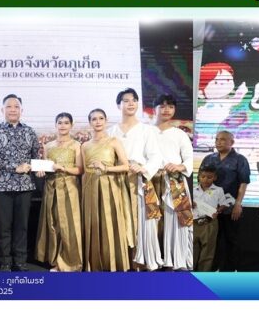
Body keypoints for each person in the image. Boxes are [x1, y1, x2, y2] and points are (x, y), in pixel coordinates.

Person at [108, 88, 164, 271]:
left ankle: (140, 260)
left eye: (134, 100)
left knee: (141, 220)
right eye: (126, 100)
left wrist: (143, 168)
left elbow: (156, 156)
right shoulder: (111, 131)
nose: (130, 103)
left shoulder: (147, 130)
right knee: (119, 219)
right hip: (116, 180)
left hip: (139, 179)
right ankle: (122, 261)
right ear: (119, 105)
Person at [0, 94, 40, 272]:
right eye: (9, 106)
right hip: (2, 186)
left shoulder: (29, 131)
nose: (13, 110)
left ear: (21, 110)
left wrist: (37, 168)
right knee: (4, 226)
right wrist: (15, 168)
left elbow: (36, 156)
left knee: (22, 226)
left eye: (16, 107)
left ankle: (21, 261)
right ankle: (5, 262)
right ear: (2, 110)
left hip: (25, 186)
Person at [81, 108, 131, 272]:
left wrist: (106, 168)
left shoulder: (114, 141)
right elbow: (83, 170)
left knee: (110, 223)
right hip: (90, 187)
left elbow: (126, 166)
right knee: (94, 223)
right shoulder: (85, 145)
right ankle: (94, 264)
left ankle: (113, 264)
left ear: (106, 120)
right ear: (90, 122)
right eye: (94, 119)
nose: (98, 122)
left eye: (101, 118)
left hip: (110, 186)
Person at [36, 112, 83, 272]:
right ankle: (55, 259)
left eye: (66, 122)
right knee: (52, 223)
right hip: (51, 187)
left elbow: (80, 169)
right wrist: (41, 171)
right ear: (55, 125)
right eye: (60, 122)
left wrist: (63, 168)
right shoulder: (48, 146)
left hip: (70, 187)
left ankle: (70, 261)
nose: (63, 125)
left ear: (71, 125)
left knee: (69, 224)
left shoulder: (76, 145)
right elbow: (44, 167)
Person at [153, 94, 193, 271]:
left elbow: (189, 158)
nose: (166, 110)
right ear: (155, 109)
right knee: (151, 221)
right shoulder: (146, 132)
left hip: (175, 181)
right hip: (150, 181)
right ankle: (153, 258)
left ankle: (176, 258)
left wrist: (179, 166)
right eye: (162, 106)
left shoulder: (180, 134)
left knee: (178, 221)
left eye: (170, 106)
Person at [199, 130, 250, 271]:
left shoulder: (240, 159)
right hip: (209, 207)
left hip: (230, 206)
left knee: (231, 239)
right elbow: (201, 181)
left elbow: (243, 183)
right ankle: (210, 268)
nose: (218, 142)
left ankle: (230, 270)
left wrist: (238, 203)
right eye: (216, 139)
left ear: (231, 142)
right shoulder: (209, 158)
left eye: (222, 139)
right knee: (210, 239)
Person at [192, 165, 226, 272]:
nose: (205, 179)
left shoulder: (218, 190)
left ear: (215, 177)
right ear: (199, 177)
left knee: (208, 251)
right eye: (203, 177)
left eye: (209, 177)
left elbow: (223, 204)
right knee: (192, 250)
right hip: (194, 222)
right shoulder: (193, 190)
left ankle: (203, 274)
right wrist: (190, 204)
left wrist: (218, 211)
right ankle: (190, 272)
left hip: (210, 223)